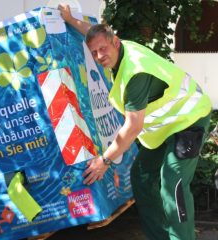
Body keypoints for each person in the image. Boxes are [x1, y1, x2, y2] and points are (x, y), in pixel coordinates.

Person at [59, 4, 212, 240]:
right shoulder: (116, 47)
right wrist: (70, 19)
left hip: (189, 119)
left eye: (103, 49)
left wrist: (105, 161)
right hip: (164, 127)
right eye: (95, 52)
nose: (100, 56)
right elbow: (94, 32)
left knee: (173, 185)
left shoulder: (135, 73)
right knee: (141, 177)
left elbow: (132, 128)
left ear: (116, 42)